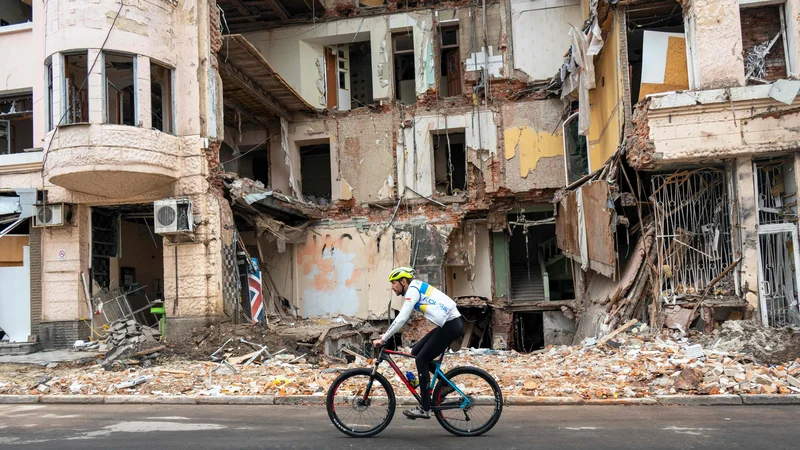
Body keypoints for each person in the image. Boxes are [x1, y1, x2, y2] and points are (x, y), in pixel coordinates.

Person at [372, 266, 463, 420]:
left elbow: (402, 318)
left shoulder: (413, 290)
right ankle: (445, 385)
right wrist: (386, 334)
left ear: (403, 281)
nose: (392, 287)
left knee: (422, 359)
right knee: (416, 352)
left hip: (451, 325)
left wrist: (384, 338)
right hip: (448, 324)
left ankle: (425, 408)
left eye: (394, 283)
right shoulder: (414, 288)